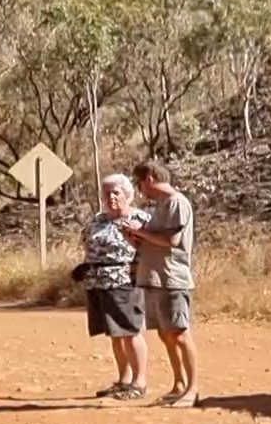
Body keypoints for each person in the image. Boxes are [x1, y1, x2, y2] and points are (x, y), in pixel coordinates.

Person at [124, 159, 200, 407]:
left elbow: (172, 240)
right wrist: (135, 238)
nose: (140, 190)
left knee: (179, 333)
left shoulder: (177, 203)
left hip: (172, 279)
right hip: (155, 278)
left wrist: (141, 230)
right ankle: (178, 384)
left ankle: (192, 389)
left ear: (149, 180)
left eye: (139, 184)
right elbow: (155, 241)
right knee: (165, 334)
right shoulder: (161, 206)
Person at [79, 174, 150, 401]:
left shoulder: (140, 219)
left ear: (127, 194)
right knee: (115, 334)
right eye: (106, 193)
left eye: (115, 192)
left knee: (130, 331)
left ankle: (139, 382)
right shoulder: (97, 220)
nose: (110, 197)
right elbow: (86, 242)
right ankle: (124, 380)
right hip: (98, 281)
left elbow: (152, 249)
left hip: (125, 281)